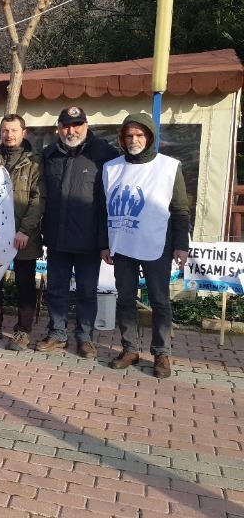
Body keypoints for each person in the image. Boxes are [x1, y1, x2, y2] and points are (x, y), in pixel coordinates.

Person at [104, 113, 190, 378]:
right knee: (125, 299)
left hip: (157, 243)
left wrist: (181, 245)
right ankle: (130, 348)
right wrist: (104, 244)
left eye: (139, 135)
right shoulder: (111, 168)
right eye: (129, 135)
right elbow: (102, 209)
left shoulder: (169, 167)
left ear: (150, 136)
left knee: (159, 300)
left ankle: (161, 352)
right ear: (122, 138)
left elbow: (180, 209)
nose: (134, 140)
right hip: (122, 243)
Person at [37, 106, 118, 358]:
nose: (71, 131)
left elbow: (109, 202)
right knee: (56, 290)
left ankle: (84, 337)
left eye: (77, 125)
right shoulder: (48, 155)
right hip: (57, 238)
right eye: (66, 126)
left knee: (86, 292)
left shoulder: (105, 154)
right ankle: (57, 333)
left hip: (89, 241)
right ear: (58, 129)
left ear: (86, 125)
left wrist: (105, 242)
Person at [0, 114, 44, 350]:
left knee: (25, 285)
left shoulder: (35, 160)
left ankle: (23, 331)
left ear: (24, 133)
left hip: (23, 235)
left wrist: (25, 230)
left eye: (14, 130)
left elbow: (38, 199)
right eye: (5, 130)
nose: (9, 135)